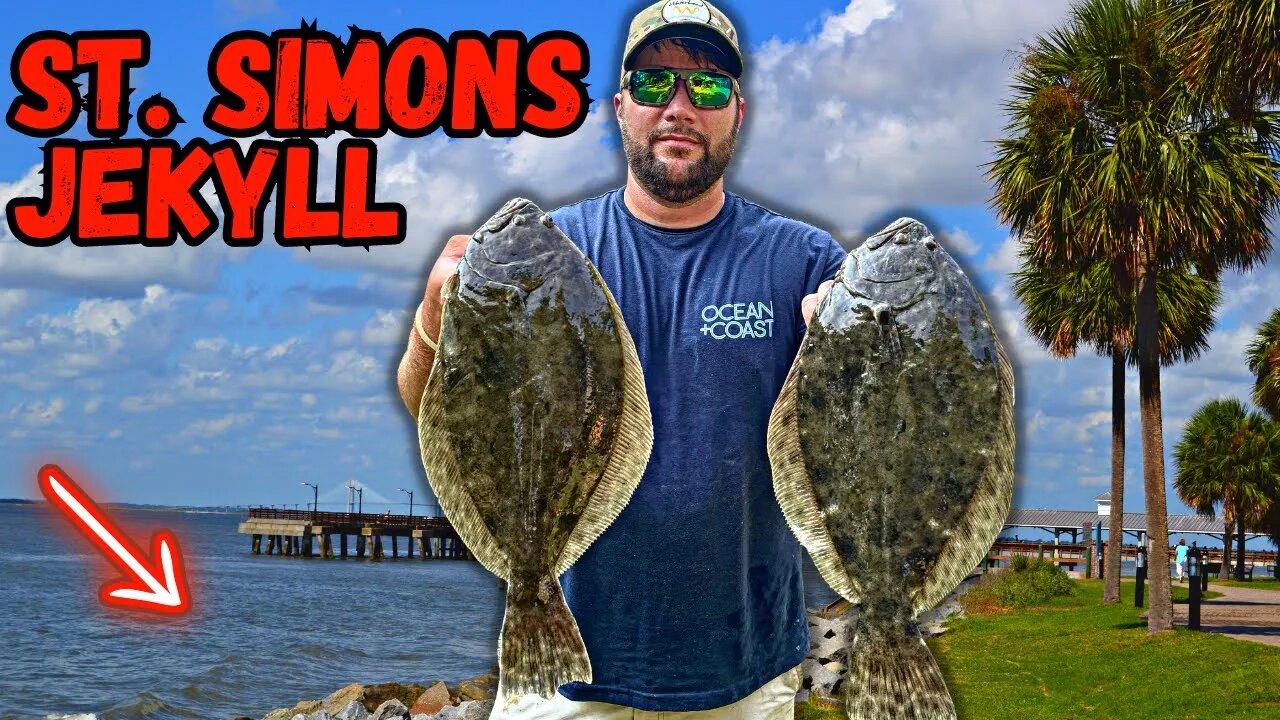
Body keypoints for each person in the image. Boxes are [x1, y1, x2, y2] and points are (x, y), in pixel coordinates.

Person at [397, 1, 846, 717]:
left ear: (738, 111)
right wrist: (433, 316)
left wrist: (853, 345)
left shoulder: (804, 260)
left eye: (706, 88)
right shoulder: (552, 251)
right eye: (652, 84)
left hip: (746, 673)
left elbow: (857, 435)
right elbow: (429, 403)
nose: (678, 107)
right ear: (618, 107)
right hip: (564, 681)